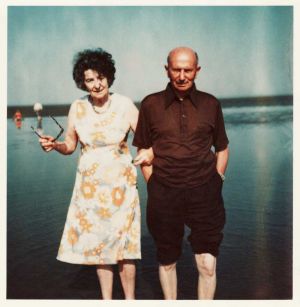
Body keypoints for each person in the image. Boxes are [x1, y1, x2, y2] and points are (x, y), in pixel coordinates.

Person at [39, 48, 152, 299]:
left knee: (125, 248)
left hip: (122, 189)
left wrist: (148, 155)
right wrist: (54, 145)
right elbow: (70, 145)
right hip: (89, 191)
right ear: (83, 83)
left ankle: (131, 301)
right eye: (90, 80)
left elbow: (146, 141)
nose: (97, 84)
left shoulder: (124, 105)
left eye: (101, 77)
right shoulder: (77, 108)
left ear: (109, 77)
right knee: (101, 248)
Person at [133, 46, 229, 300]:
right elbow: (143, 148)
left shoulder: (211, 103)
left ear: (197, 70)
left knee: (207, 264)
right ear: (167, 70)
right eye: (177, 69)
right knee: (167, 261)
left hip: (205, 193)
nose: (182, 75)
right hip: (164, 192)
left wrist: (217, 179)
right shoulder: (150, 104)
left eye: (188, 69)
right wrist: (152, 182)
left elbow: (222, 148)